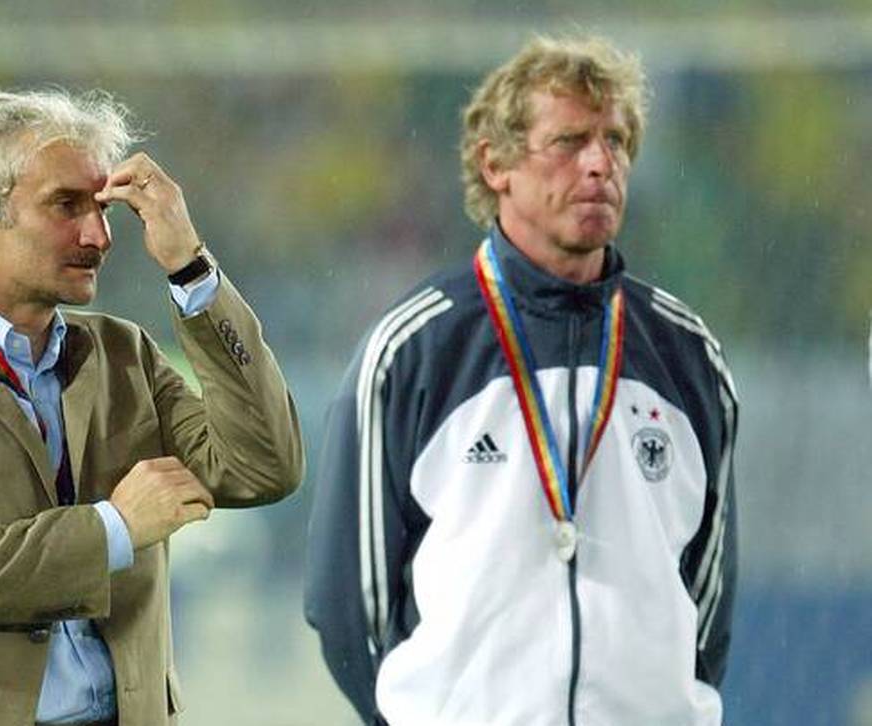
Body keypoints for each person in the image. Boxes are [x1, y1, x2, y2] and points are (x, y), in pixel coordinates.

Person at [0, 89, 304, 726]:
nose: (97, 234)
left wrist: (190, 269)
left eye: (101, 208)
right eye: (65, 206)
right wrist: (112, 531)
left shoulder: (124, 354)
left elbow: (265, 466)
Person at [304, 35, 738, 725]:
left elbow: (708, 605)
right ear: (495, 163)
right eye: (568, 141)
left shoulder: (687, 354)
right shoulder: (414, 352)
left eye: (617, 141)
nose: (601, 164)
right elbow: (346, 605)